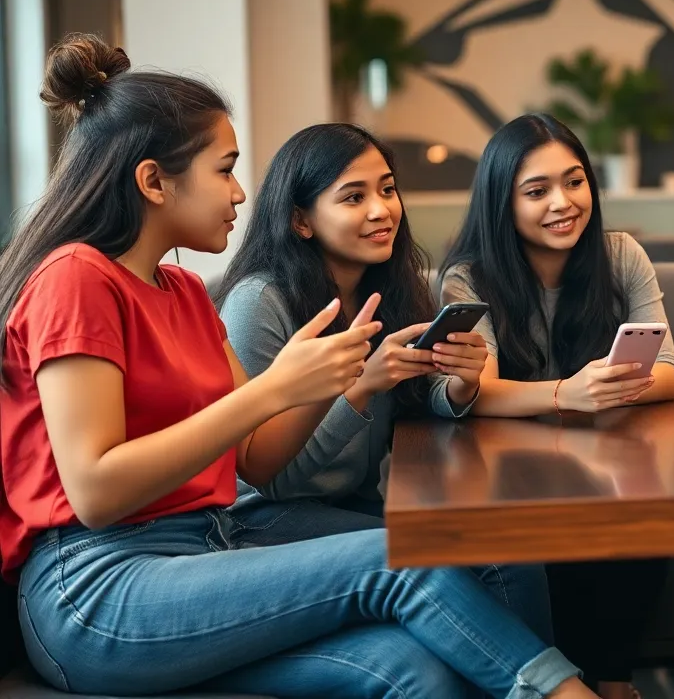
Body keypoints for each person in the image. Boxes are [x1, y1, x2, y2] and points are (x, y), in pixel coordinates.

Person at [0, 34, 596, 699]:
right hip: (97, 588)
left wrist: (323, 382)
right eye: (224, 170)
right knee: (397, 559)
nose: (240, 193)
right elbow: (95, 491)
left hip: (203, 553)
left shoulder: (186, 292)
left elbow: (257, 461)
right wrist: (274, 389)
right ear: (153, 182)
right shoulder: (76, 279)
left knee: (413, 669)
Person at [440, 113, 674, 699]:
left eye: (574, 182)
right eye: (537, 191)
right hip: (506, 472)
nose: (563, 203)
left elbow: (669, 371)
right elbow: (476, 391)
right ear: (502, 202)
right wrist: (566, 393)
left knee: (644, 511)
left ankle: (614, 684)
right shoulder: (468, 279)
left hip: (602, 459)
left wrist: (607, 389)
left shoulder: (621, 256)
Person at [214, 123, 489, 543]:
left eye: (388, 190)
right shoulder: (259, 302)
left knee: (499, 548)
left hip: (353, 505)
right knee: (464, 552)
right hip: (265, 518)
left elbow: (413, 393)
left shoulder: (388, 286)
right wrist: (362, 387)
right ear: (301, 221)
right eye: (354, 197)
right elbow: (273, 481)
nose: (382, 210)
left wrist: (457, 385)